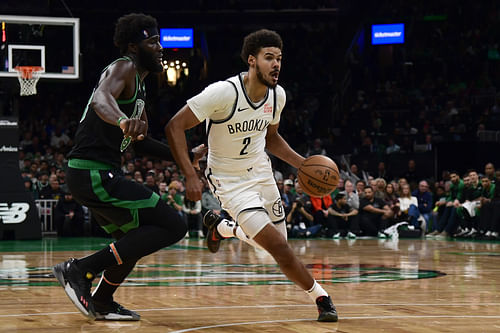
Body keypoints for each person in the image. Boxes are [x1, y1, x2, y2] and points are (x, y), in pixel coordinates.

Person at [165, 29, 337, 322]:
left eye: (279, 58)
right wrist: (189, 175)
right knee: (280, 248)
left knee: (276, 245)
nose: (276, 64)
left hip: (261, 171)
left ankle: (222, 228)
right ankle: (321, 297)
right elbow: (174, 126)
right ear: (251, 60)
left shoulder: (277, 96)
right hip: (229, 181)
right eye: (269, 57)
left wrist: (303, 165)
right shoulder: (222, 93)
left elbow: (271, 138)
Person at [52, 14, 203, 321]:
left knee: (136, 237)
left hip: (98, 172)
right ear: (134, 47)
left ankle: (104, 300)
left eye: (160, 40)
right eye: (153, 41)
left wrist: (185, 155)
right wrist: (121, 120)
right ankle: (79, 269)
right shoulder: (124, 66)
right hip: (92, 171)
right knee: (173, 224)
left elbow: (142, 142)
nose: (160, 47)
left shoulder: (141, 89)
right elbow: (100, 98)